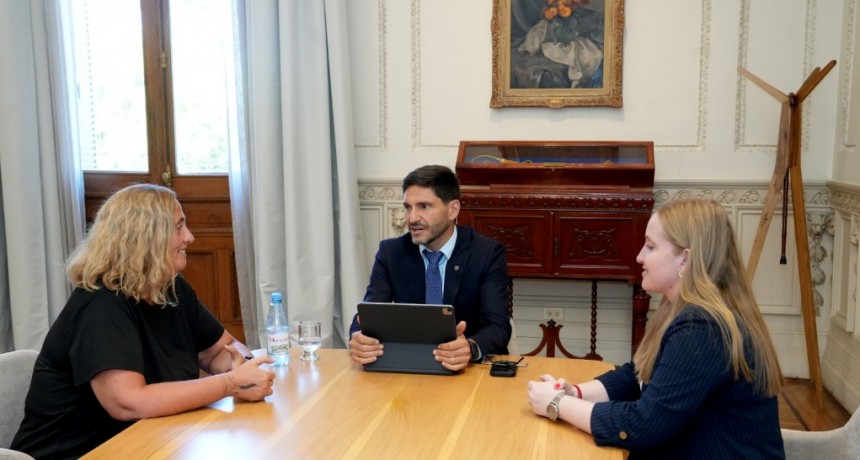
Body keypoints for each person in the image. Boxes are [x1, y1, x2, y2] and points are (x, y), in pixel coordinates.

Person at [12, 183, 276, 459]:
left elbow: (219, 348)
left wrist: (241, 364)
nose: (190, 237)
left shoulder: (172, 288)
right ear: (145, 238)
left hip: (148, 443)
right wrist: (230, 383)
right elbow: (128, 403)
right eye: (178, 228)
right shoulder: (100, 304)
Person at [527, 199, 785, 459]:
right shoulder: (685, 308)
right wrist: (576, 393)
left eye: (650, 247)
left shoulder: (703, 328)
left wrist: (557, 404)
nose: (639, 256)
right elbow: (638, 373)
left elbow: (643, 426)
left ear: (685, 259)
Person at [348, 165, 512, 371]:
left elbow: (497, 326)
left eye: (424, 206)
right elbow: (368, 315)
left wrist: (469, 348)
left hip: (466, 372)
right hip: (407, 367)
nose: (412, 218)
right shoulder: (391, 252)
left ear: (453, 209)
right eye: (408, 207)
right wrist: (358, 337)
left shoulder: (486, 253)